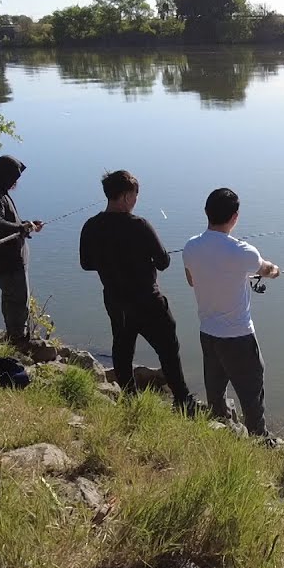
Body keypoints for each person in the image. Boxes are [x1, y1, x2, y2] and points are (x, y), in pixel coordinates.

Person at [79, 170, 195, 411]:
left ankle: (129, 397)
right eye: (134, 195)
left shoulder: (91, 226)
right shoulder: (139, 225)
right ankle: (183, 400)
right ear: (124, 196)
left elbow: (86, 263)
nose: (135, 200)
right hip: (147, 301)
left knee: (122, 347)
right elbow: (163, 261)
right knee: (168, 349)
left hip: (115, 300)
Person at [181, 188, 280, 437]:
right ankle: (260, 439)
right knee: (252, 390)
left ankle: (220, 430)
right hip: (239, 336)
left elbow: (192, 281)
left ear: (206, 212)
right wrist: (275, 270)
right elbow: (266, 269)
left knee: (215, 390)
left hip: (208, 333)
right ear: (235, 217)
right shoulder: (243, 252)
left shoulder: (190, 247)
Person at [0, 155, 43, 351]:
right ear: (4, 176)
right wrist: (20, 227)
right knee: (17, 299)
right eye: (13, 178)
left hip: (10, 258)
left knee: (11, 297)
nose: (15, 182)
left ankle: (13, 336)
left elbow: (9, 222)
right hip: (6, 260)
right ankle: (18, 340)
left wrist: (27, 225)